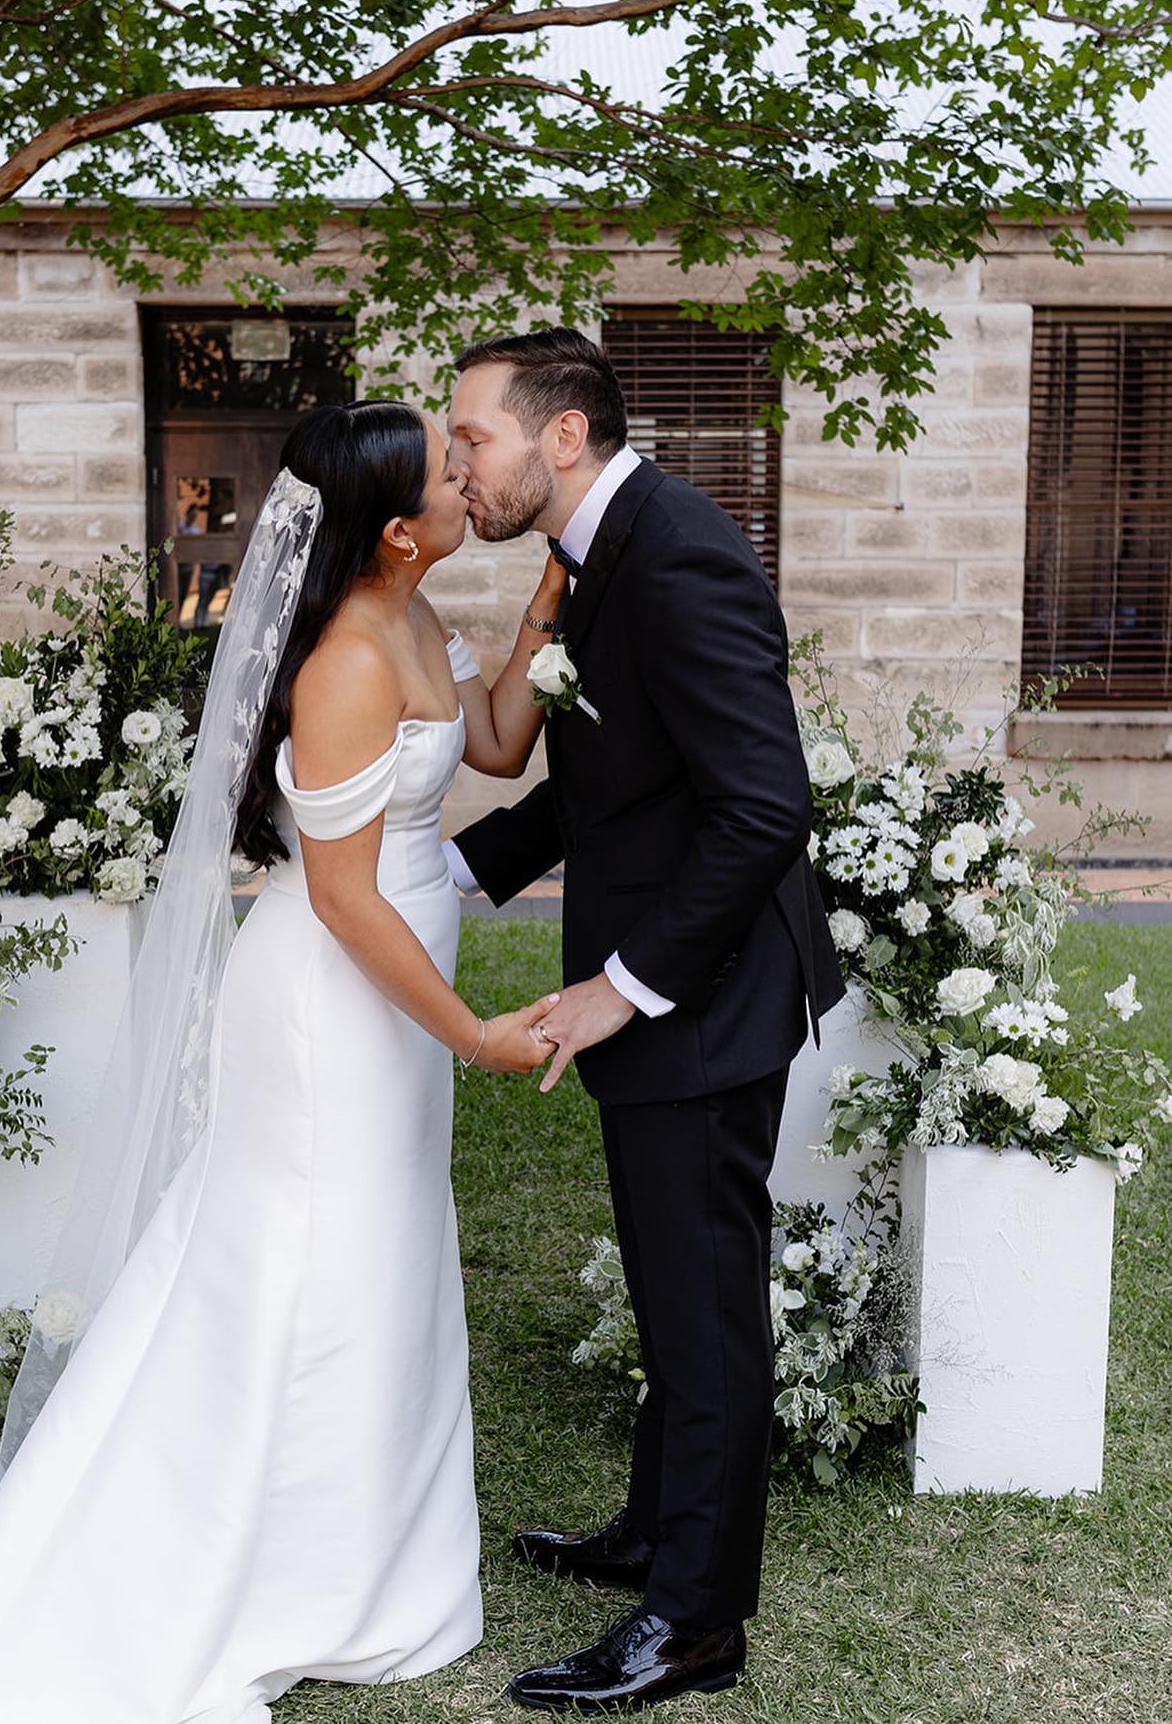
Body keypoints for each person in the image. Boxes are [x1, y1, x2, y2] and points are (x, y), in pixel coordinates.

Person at [0, 399, 568, 1724]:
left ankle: (364, 1558)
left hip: (391, 1000)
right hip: (331, 1005)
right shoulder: (347, 664)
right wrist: (474, 1035)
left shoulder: (411, 614)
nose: (473, 479)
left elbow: (492, 744)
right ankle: (266, 1554)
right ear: (398, 532)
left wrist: (542, 613)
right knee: (307, 1256)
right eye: (447, 470)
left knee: (379, 1252)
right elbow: (351, 902)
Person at [445, 327, 845, 1710]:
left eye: (472, 437)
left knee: (705, 1314)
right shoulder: (604, 552)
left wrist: (621, 988)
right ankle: (652, 1534)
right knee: (676, 1299)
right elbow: (627, 777)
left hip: (703, 997)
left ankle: (695, 1627)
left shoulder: (675, 553)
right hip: (674, 986)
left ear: (563, 436)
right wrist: (458, 862)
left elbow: (760, 808)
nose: (458, 465)